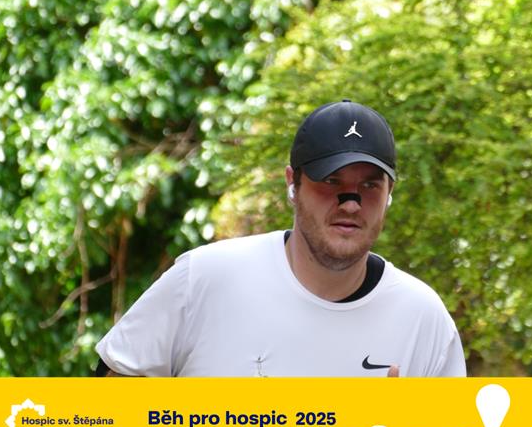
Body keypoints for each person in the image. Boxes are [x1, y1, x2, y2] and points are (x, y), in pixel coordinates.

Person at [95, 100, 466, 377]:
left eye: (370, 185)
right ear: (293, 183)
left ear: (389, 194)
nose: (351, 204)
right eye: (331, 180)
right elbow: (102, 412)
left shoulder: (423, 318)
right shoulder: (205, 278)